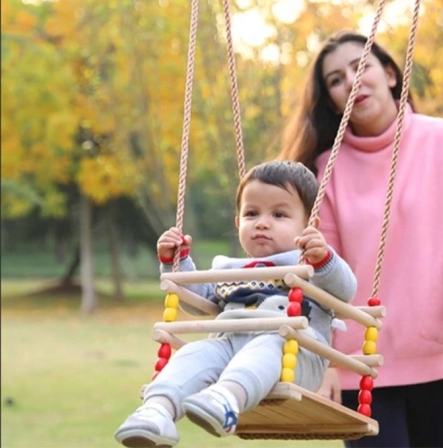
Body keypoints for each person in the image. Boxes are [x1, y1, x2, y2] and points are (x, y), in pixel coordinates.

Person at [280, 30, 443, 448]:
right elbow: (321, 276)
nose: (351, 82)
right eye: (336, 79)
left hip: (441, 358)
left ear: (391, 74)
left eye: (361, 66)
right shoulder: (327, 167)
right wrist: (325, 362)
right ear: (332, 99)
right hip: (359, 363)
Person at [114, 159, 357, 448]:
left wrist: (325, 258)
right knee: (196, 353)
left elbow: (345, 291)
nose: (262, 222)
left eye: (279, 214)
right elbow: (198, 299)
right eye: (252, 213)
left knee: (270, 343)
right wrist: (175, 261)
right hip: (230, 346)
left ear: (308, 225)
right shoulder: (231, 268)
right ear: (238, 221)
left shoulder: (310, 262)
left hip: (295, 353)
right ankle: (158, 411)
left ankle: (226, 398)